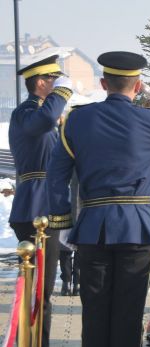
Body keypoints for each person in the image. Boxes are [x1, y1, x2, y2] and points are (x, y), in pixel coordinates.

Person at [46, 51, 150, 347]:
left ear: (104, 83)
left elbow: (56, 176)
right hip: (138, 229)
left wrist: (62, 223)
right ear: (137, 86)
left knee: (94, 314)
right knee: (128, 314)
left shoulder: (76, 120)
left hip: (92, 229)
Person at [9, 54, 73, 347]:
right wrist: (63, 94)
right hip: (35, 207)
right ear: (40, 82)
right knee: (37, 290)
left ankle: (36, 341)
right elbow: (47, 119)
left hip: (46, 204)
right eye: (53, 81)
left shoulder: (38, 114)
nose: (57, 85)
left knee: (42, 291)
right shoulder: (27, 113)